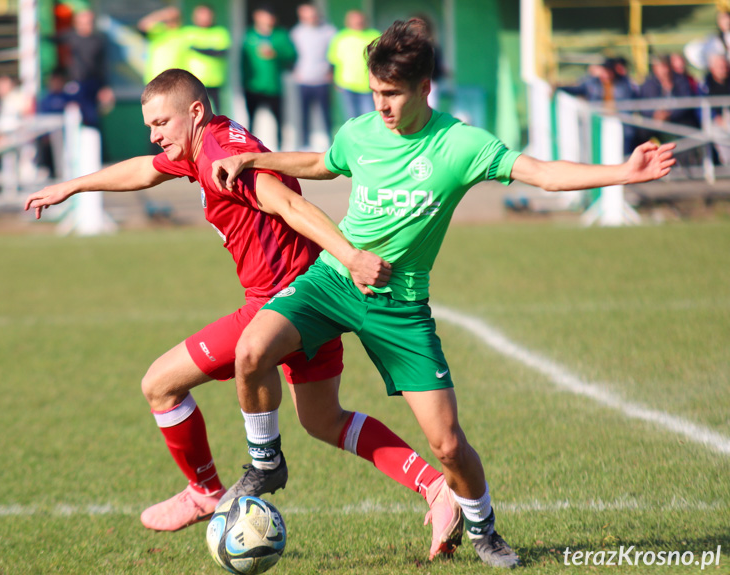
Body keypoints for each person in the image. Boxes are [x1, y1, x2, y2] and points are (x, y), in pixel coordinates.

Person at [211, 19, 676, 568]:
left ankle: (483, 530)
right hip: (335, 279)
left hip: (400, 304)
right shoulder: (360, 131)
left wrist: (623, 171)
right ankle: (266, 462)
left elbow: (543, 174)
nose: (380, 105)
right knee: (252, 350)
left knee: (448, 445)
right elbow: (320, 163)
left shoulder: (462, 143)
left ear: (424, 88)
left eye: (391, 94)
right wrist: (253, 159)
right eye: (374, 92)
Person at [23, 70, 461, 554]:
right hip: (307, 297)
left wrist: (350, 256)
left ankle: (212, 488)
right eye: (150, 125)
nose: (155, 135)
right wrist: (73, 186)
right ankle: (436, 488)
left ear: (194, 112)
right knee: (323, 420)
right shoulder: (200, 144)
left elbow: (290, 205)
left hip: (285, 303)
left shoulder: (219, 155)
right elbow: (145, 169)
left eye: (161, 123)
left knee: (160, 385)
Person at [241, 6, 296, 150]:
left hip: (274, 86)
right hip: (252, 86)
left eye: (271, 16)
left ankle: (280, 149)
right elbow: (242, 62)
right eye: (265, 15)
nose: (269, 19)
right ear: (257, 16)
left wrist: (276, 53)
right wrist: (244, 82)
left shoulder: (281, 35)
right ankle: (249, 148)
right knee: (251, 120)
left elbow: (292, 56)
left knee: (279, 120)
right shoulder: (248, 35)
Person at [53, 8, 114, 129]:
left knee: (92, 119)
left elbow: (103, 65)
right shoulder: (70, 37)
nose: (86, 26)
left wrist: (105, 88)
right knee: (73, 116)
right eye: (83, 22)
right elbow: (52, 39)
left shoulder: (98, 40)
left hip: (93, 84)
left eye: (89, 22)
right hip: (75, 84)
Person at [290, 3, 336, 150]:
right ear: (301, 17)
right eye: (306, 16)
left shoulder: (329, 31)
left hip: (322, 79)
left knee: (326, 114)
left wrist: (331, 71)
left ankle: (331, 144)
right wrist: (294, 70)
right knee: (304, 115)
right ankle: (304, 144)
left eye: (312, 15)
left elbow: (335, 53)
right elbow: (291, 54)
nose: (310, 18)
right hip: (304, 80)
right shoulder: (296, 32)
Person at [327, 11, 379, 119]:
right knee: (351, 119)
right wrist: (334, 81)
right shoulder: (340, 37)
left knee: (369, 118)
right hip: (346, 85)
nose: (358, 22)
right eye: (354, 19)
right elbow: (333, 61)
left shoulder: (375, 35)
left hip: (369, 86)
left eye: (360, 19)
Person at [182, 4, 230, 113]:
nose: (204, 18)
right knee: (193, 113)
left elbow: (220, 52)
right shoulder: (187, 32)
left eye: (207, 15)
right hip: (192, 82)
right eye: (201, 14)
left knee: (216, 114)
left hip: (214, 82)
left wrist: (195, 48)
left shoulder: (220, 32)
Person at [138, 6, 187, 82]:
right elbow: (142, 25)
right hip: (154, 80)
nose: (171, 20)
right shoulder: (158, 31)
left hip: (177, 81)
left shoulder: (185, 34)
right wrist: (163, 14)